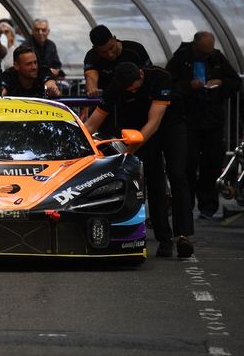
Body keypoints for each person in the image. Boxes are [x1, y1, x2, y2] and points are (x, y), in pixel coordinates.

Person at [84, 62, 193, 258]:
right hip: (139, 129)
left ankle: (182, 235)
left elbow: (154, 123)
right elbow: (92, 123)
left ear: (141, 75)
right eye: (128, 90)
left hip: (170, 127)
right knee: (153, 180)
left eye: (135, 87)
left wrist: (128, 152)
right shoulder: (115, 88)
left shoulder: (160, 78)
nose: (132, 91)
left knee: (177, 175)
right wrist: (78, 144)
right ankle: (164, 239)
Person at [166, 31, 241, 219]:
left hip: (212, 119)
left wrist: (221, 83)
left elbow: (234, 82)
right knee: (188, 163)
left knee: (212, 162)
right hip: (188, 119)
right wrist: (188, 86)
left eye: (209, 52)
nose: (206, 56)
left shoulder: (216, 58)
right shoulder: (180, 60)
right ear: (195, 46)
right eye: (203, 52)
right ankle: (186, 204)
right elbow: (168, 86)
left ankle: (208, 205)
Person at [83, 25, 151, 97]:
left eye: (111, 48)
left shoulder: (136, 49)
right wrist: (92, 90)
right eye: (103, 52)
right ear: (95, 49)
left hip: (138, 96)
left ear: (114, 39)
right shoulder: (91, 56)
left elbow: (149, 73)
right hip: (109, 98)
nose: (110, 54)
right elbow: (90, 76)